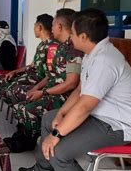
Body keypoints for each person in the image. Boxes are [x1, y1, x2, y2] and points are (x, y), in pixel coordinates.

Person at [18, 8, 131, 171]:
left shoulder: (105, 61)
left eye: (73, 34)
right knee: (49, 118)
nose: (71, 38)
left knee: (60, 151)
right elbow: (80, 91)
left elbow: (84, 106)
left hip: (116, 126)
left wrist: (56, 135)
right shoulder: (92, 53)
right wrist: (61, 113)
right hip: (100, 117)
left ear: (83, 36)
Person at [5, 9, 83, 153]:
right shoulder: (61, 47)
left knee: (25, 109)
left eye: (53, 24)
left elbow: (71, 83)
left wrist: (43, 92)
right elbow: (50, 75)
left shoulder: (74, 50)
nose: (51, 28)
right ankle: (23, 137)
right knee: (21, 104)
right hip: (51, 90)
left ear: (60, 27)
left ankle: (29, 141)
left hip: (64, 96)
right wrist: (36, 89)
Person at [0, 14, 55, 107]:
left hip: (37, 81)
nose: (34, 29)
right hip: (30, 76)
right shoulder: (41, 45)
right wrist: (15, 71)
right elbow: (32, 65)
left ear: (39, 27)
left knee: (11, 89)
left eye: (34, 26)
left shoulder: (52, 47)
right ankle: (17, 110)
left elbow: (50, 75)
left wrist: (37, 88)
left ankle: (21, 111)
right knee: (2, 81)